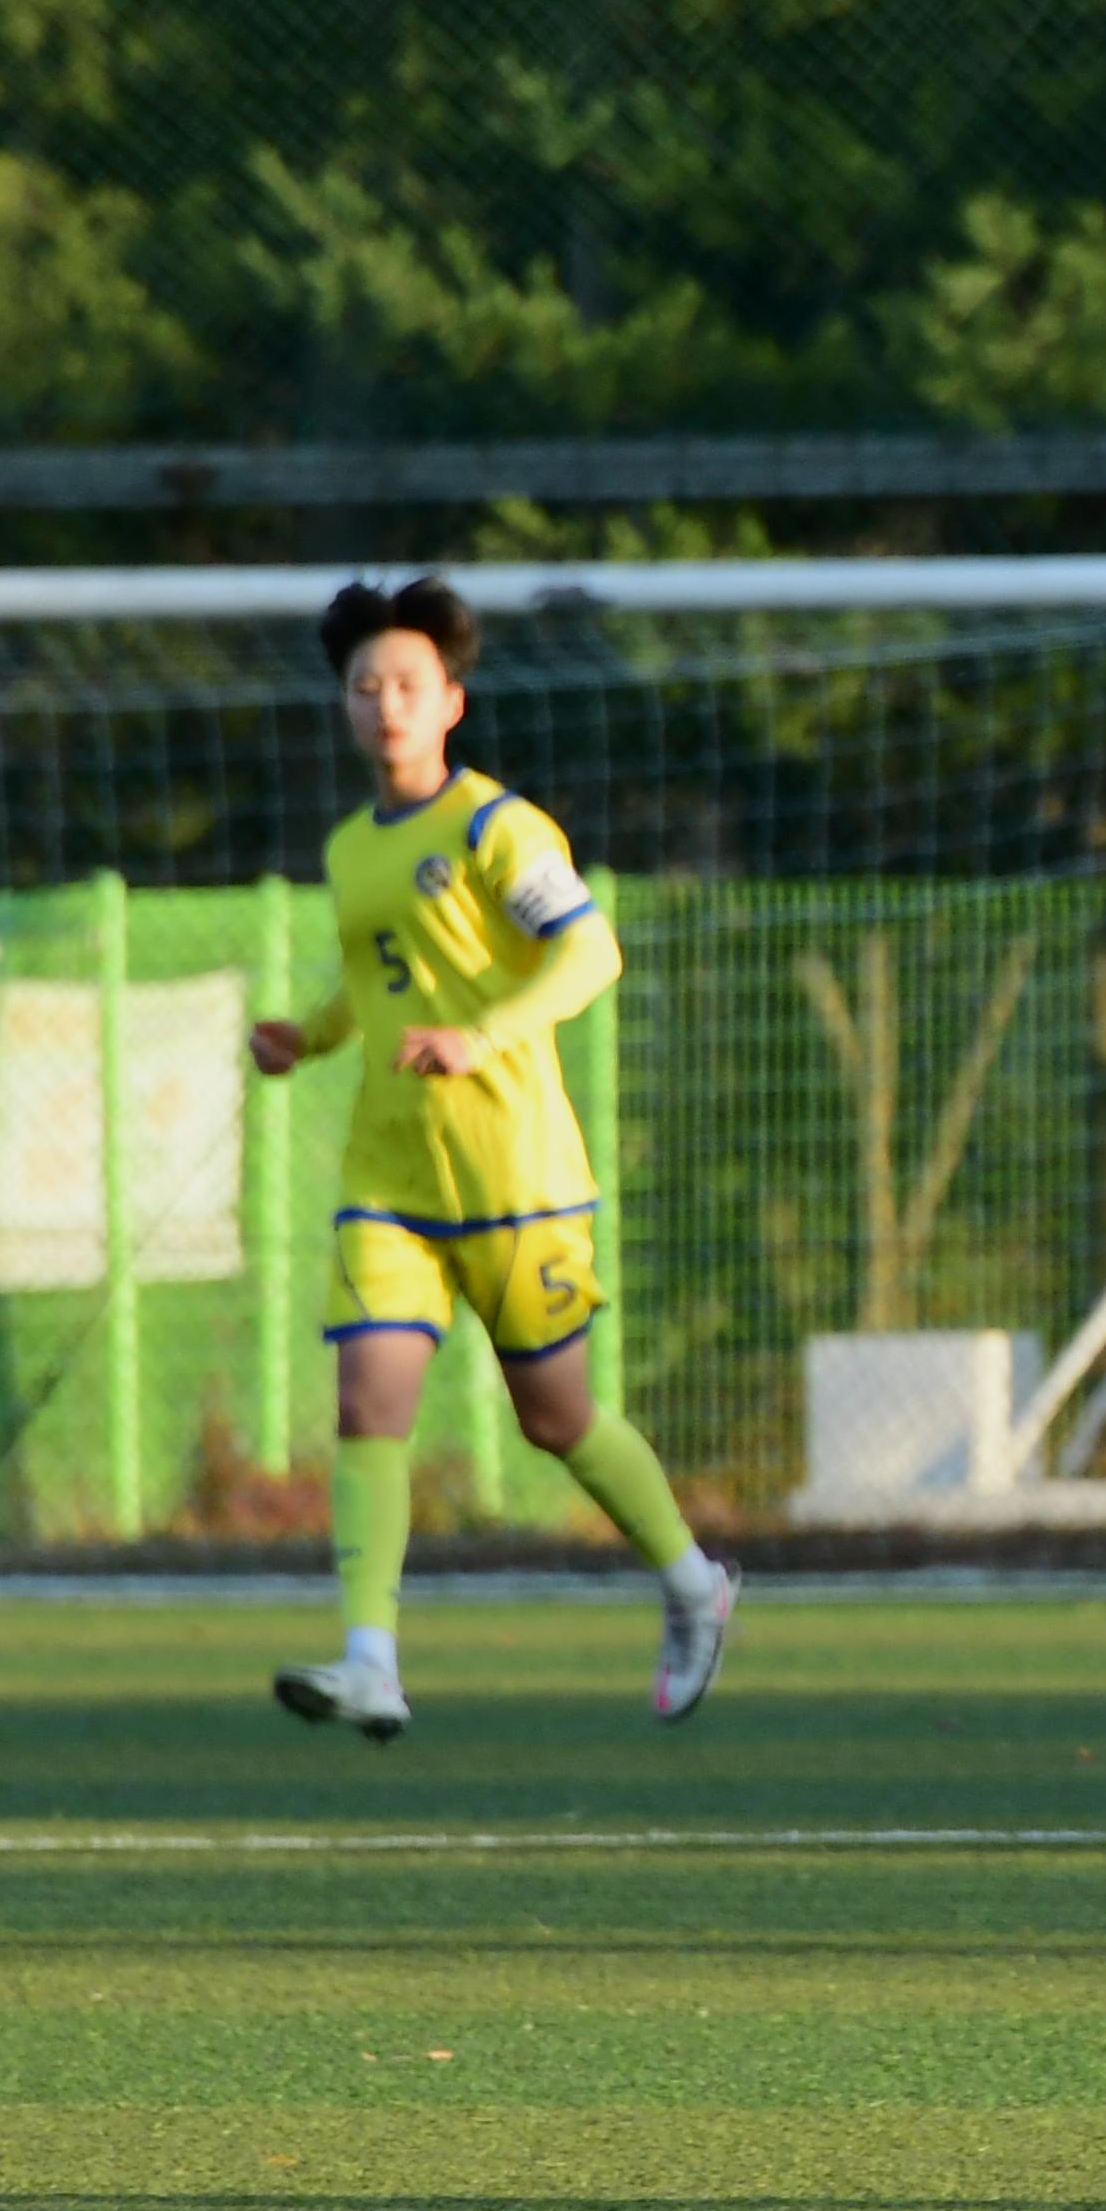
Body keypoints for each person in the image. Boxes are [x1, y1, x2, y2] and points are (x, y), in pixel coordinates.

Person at [246, 576, 728, 1737]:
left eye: (408, 683)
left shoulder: (494, 827)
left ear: (451, 701)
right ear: (346, 708)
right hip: (391, 1184)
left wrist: (483, 1035)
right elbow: (378, 984)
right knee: (369, 1405)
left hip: (519, 1178)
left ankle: (694, 1584)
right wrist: (304, 1037)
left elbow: (588, 954)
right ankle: (371, 1660)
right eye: (366, 686)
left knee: (555, 1419)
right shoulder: (353, 847)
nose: (386, 703)